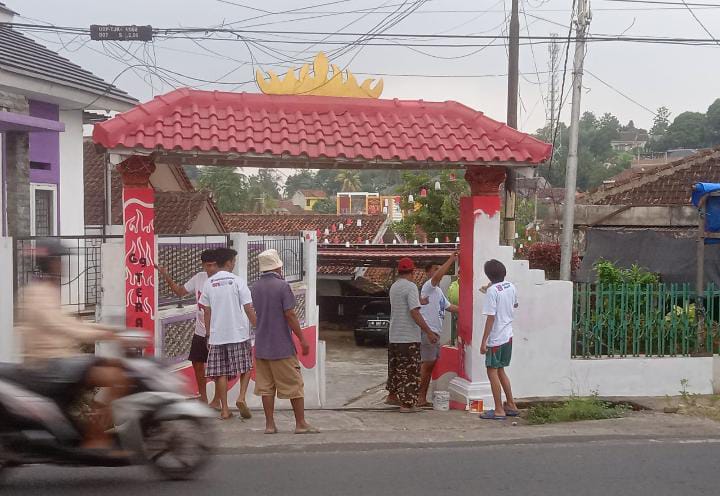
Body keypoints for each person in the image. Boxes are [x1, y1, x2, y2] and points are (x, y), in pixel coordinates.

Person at [17, 238, 129, 451]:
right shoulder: (38, 293)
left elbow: (68, 322)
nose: (63, 265)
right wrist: (105, 334)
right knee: (117, 377)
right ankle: (95, 437)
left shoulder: (47, 289)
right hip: (49, 364)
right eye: (59, 260)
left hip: (60, 360)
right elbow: (62, 327)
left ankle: (92, 426)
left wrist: (108, 330)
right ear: (49, 262)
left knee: (116, 367)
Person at [251, 249, 318, 435]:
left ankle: (270, 425)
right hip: (281, 345)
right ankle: (301, 423)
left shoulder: (255, 287)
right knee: (295, 385)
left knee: (266, 387)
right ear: (279, 266)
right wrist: (302, 339)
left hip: (262, 345)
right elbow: (290, 313)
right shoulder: (282, 286)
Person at [157, 249, 226, 408]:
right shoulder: (199, 278)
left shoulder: (222, 280)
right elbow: (180, 291)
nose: (211, 269)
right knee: (197, 363)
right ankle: (203, 397)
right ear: (203, 266)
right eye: (208, 265)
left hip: (218, 331)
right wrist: (165, 274)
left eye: (214, 265)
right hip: (200, 331)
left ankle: (217, 400)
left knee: (218, 367)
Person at [199, 248, 256, 421]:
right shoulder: (238, 281)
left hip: (217, 336)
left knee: (220, 373)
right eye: (234, 261)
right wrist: (257, 326)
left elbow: (206, 312)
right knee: (246, 367)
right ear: (229, 262)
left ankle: (224, 410)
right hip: (238, 333)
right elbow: (248, 308)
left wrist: (208, 335)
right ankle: (241, 397)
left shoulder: (209, 283)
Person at [386, 257, 438, 413]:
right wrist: (428, 332)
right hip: (408, 337)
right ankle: (407, 404)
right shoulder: (411, 287)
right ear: (413, 271)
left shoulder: (394, 287)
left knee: (396, 369)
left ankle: (392, 396)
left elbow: (404, 304)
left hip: (394, 336)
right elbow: (414, 312)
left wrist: (419, 301)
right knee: (410, 371)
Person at [479, 259, 520, 420]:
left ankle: (498, 409)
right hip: (508, 335)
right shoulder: (510, 286)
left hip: (496, 338)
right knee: (501, 369)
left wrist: (484, 342)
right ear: (504, 273)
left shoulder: (492, 291)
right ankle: (510, 404)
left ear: (488, 275)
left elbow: (491, 317)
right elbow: (514, 305)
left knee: (492, 371)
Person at [417, 253, 459, 407]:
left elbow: (449, 307)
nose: (438, 272)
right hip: (429, 332)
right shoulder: (429, 286)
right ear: (428, 272)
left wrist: (468, 310)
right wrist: (451, 260)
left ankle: (421, 397)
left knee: (429, 366)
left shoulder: (439, 292)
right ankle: (420, 397)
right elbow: (437, 278)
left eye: (439, 269)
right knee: (427, 366)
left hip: (435, 333)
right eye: (435, 269)